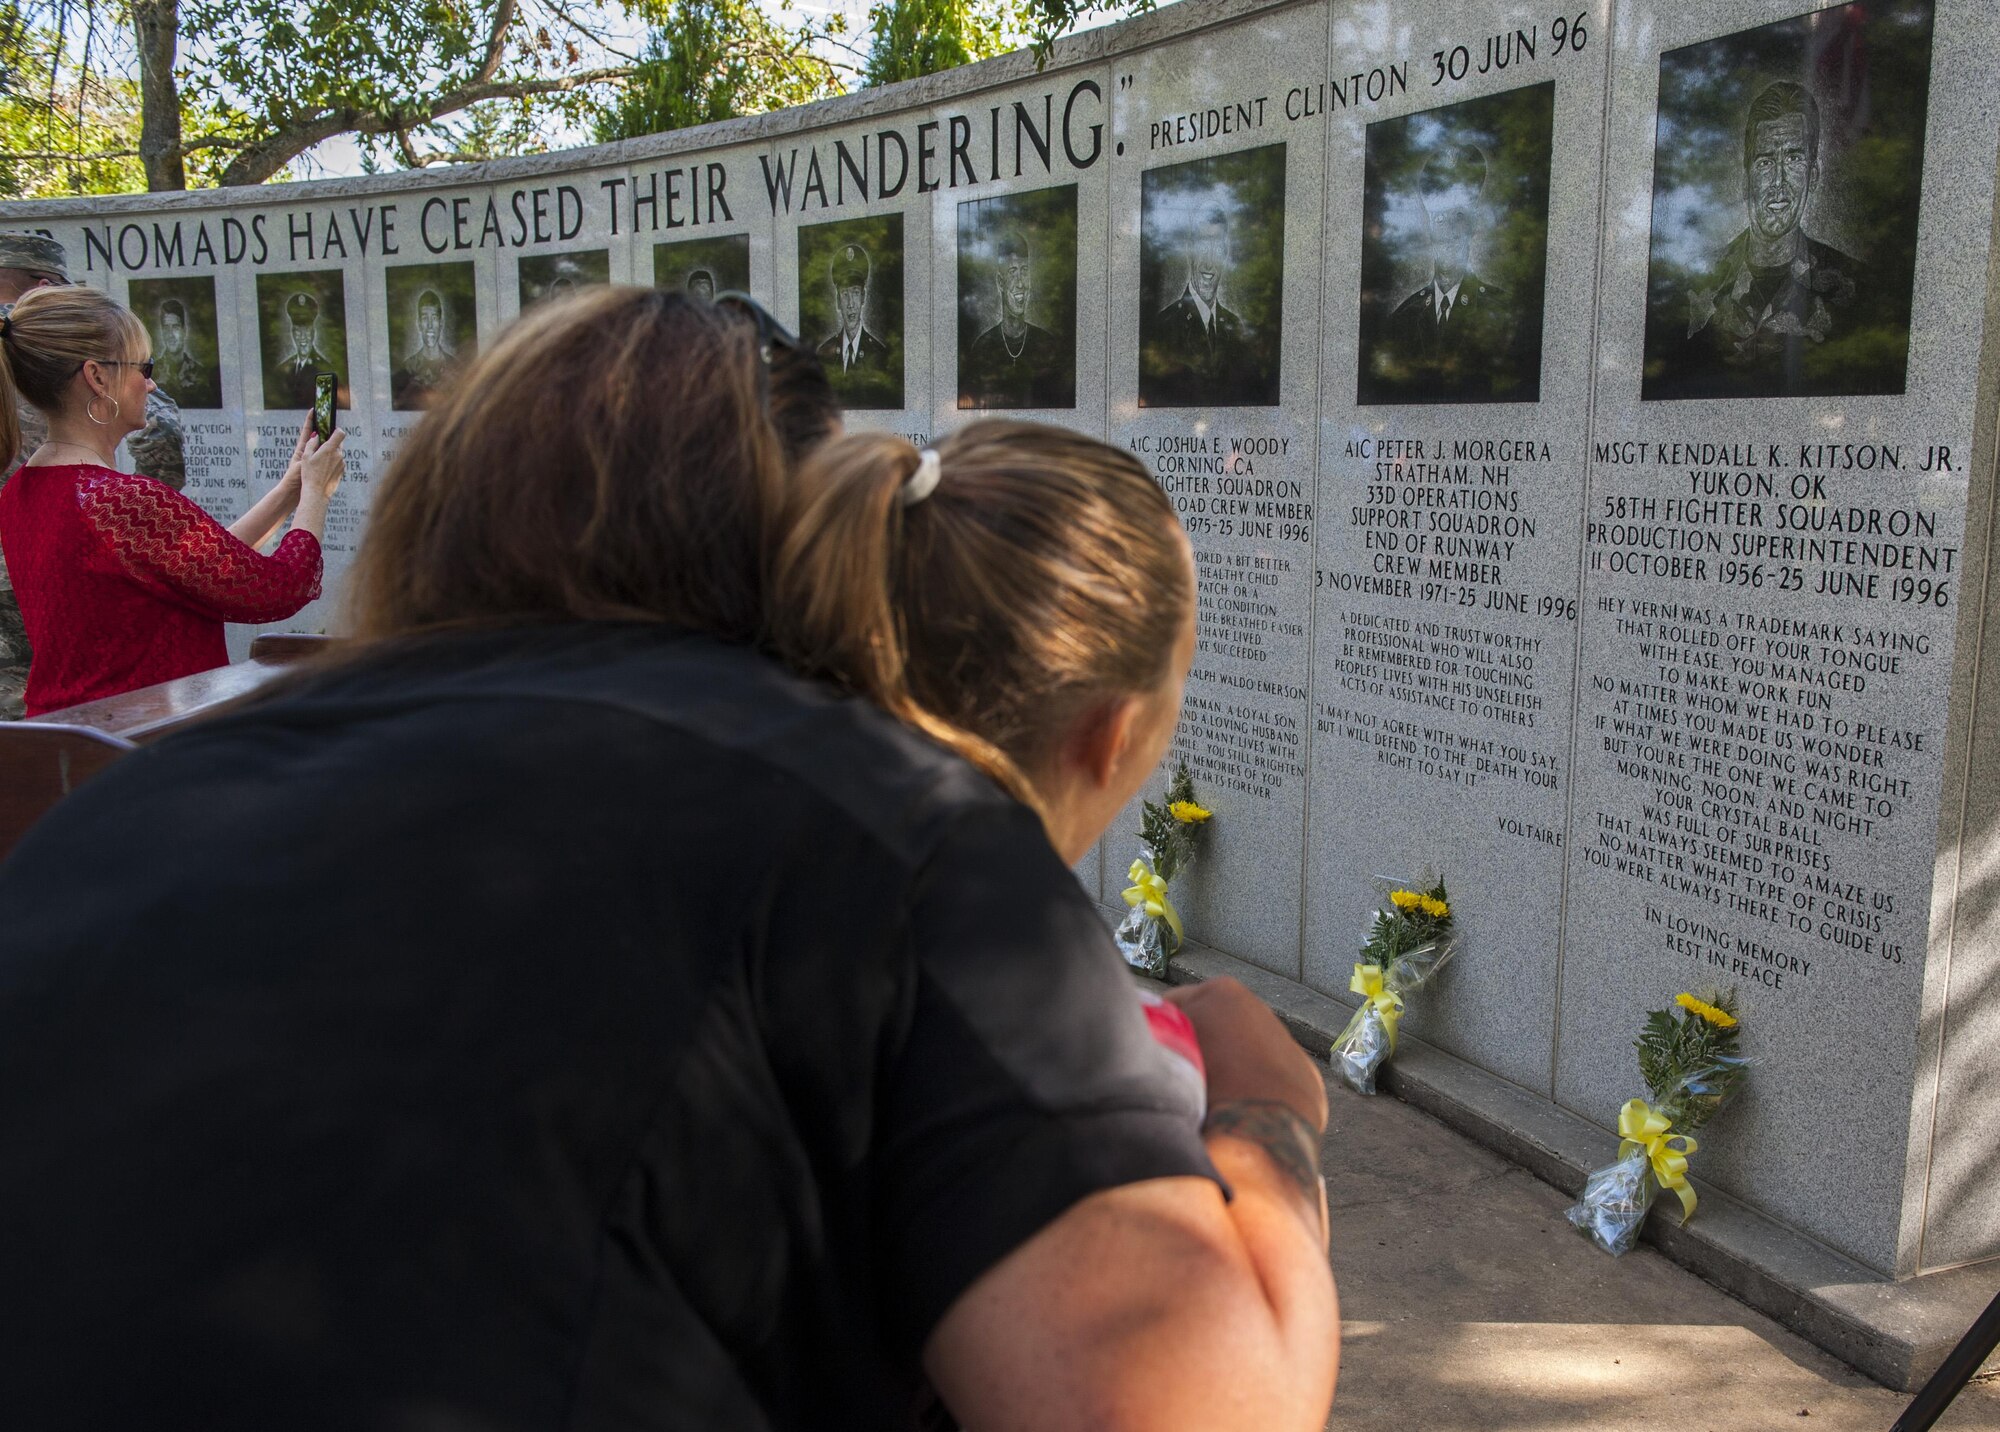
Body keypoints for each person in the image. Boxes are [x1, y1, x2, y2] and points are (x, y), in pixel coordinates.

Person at [0, 286, 1337, 1431]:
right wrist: (1268, 1117)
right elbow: (1183, 1404)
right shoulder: (882, 832)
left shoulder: (132, 809)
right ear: (806, 530)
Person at [0, 285, 342, 715]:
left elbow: (196, 566)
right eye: (144, 366)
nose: (151, 382)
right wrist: (317, 493)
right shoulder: (122, 501)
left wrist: (290, 488)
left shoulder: (21, 492)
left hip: (71, 742)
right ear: (97, 377)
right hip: (146, 744)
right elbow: (279, 588)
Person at [1672, 82, 1863, 394]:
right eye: (1765, 162)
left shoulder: (1852, 289)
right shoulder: (1696, 286)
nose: (1778, 182)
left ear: (1813, 175)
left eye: (1793, 159)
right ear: (1747, 181)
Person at [1367, 143, 1533, 403]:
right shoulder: (1404, 316)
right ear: (1430, 229)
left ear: (1471, 228)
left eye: (1458, 219)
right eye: (1440, 221)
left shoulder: (1501, 313)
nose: (1448, 233)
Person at [1143, 219, 1258, 406]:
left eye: (1217, 250)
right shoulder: (1166, 322)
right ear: (1190, 254)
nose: (1209, 265)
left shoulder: (1233, 324)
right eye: (1203, 248)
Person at [961, 230, 1069, 409]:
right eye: (1012, 272)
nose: (1020, 283)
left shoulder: (1047, 344)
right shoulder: (983, 347)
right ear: (1000, 282)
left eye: (1024, 271)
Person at [816, 241, 890, 374]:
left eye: (855, 293)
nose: (851, 304)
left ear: (863, 297)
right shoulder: (824, 354)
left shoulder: (879, 355)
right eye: (845, 294)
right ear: (838, 301)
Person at [391, 288, 461, 410]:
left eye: (434, 318)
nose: (429, 325)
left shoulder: (455, 367)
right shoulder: (407, 369)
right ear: (418, 323)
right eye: (424, 318)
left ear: (441, 323)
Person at [269, 289, 334, 408]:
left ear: (314, 332)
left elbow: (324, 410)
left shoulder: (325, 368)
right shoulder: (283, 368)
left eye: (307, 331)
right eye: (298, 331)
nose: (303, 337)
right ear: (292, 333)